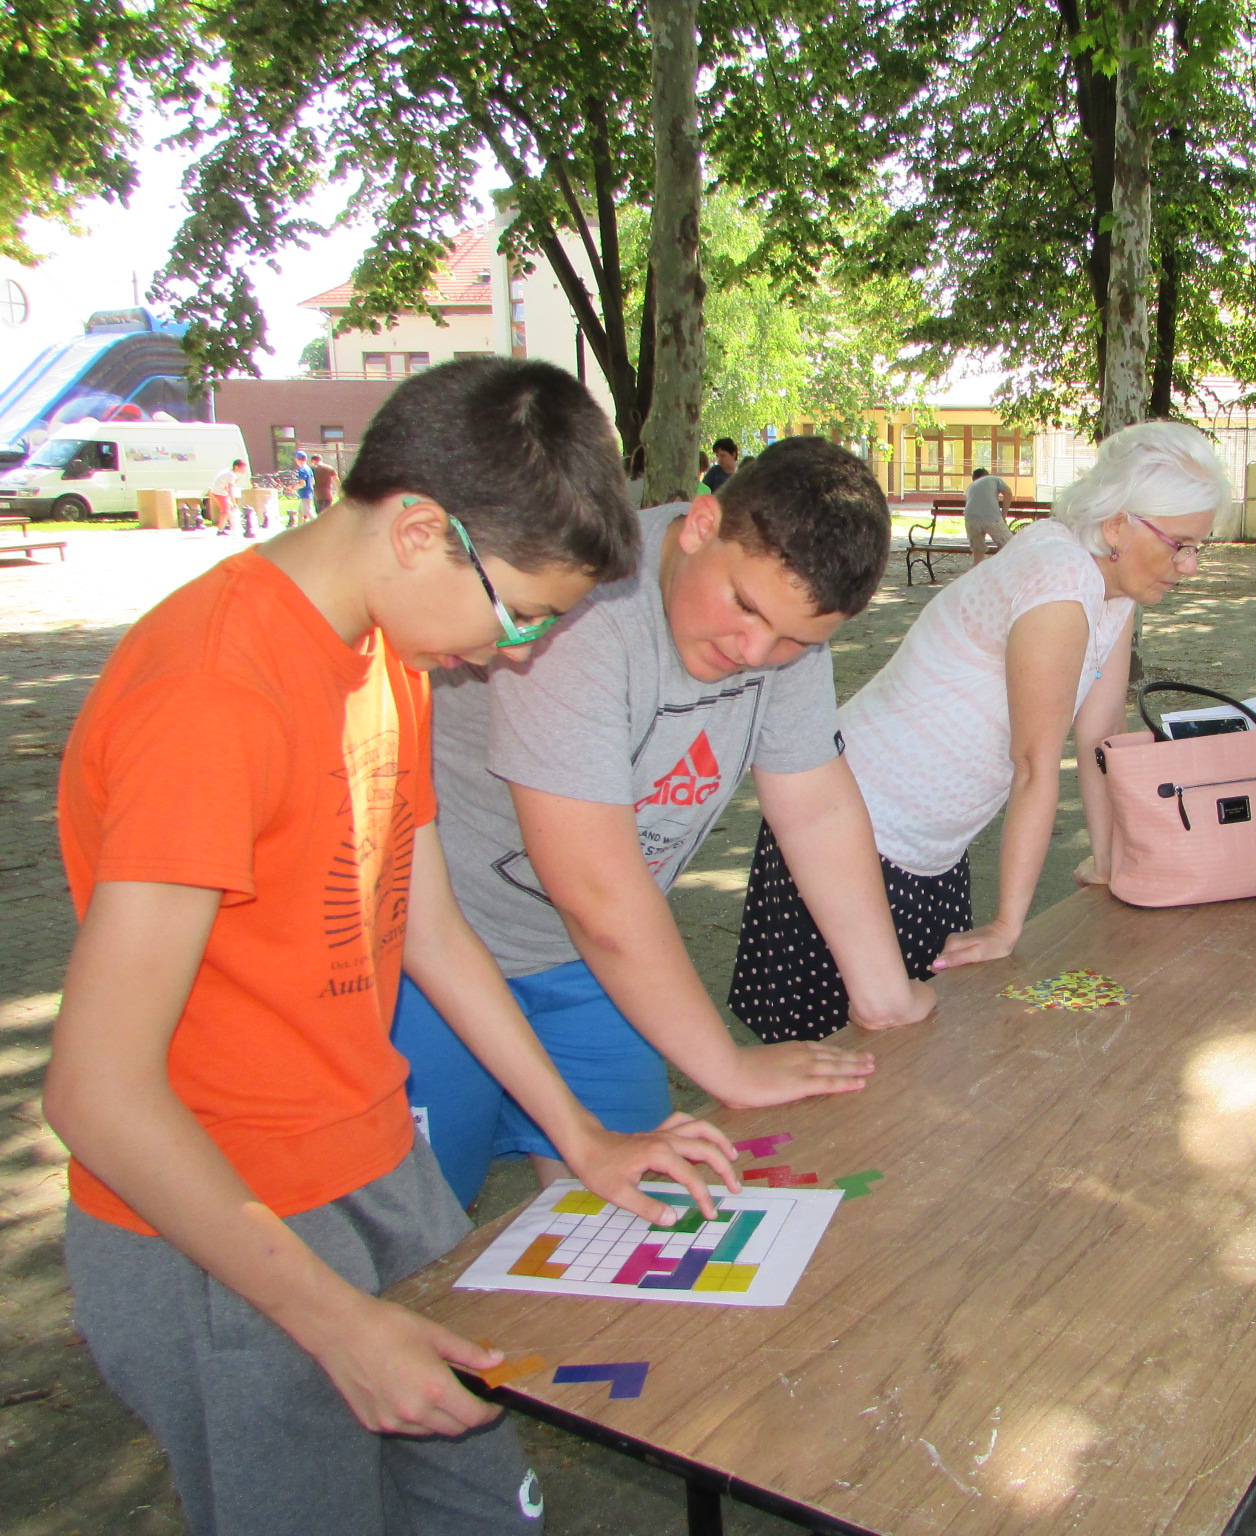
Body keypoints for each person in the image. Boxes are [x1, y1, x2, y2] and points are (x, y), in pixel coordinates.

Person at [46, 357, 742, 1536]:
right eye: (520, 613)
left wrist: (580, 1138)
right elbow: (95, 1093)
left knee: (482, 1504)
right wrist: (334, 1322)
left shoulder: (383, 655)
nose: (517, 652)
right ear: (423, 531)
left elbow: (427, 926)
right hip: (220, 1230)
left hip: (375, 1169)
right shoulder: (213, 695)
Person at [393, 436, 936, 1208]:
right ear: (701, 524)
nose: (755, 650)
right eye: (744, 607)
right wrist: (726, 1067)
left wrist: (884, 994)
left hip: (592, 965)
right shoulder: (590, 603)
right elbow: (593, 886)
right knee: (424, 1227)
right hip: (435, 955)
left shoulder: (785, 633)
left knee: (634, 1213)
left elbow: (815, 807)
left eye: (795, 640)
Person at [726, 419, 1230, 1042]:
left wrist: (1110, 861)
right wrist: (1007, 925)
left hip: (933, 850)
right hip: (852, 830)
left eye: (1199, 546)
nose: (1190, 566)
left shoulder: (1115, 587)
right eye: (1180, 544)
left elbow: (1101, 735)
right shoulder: (1059, 580)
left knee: (918, 1054)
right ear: (1117, 524)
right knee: (832, 1056)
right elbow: (1034, 764)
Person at [962, 465, 1013, 562]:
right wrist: (1004, 514)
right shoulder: (994, 479)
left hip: (971, 519)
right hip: (991, 518)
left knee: (978, 552)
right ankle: (1008, 569)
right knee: (1010, 545)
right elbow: (1008, 493)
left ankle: (977, 570)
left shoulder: (970, 487)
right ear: (986, 475)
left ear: (974, 478)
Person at [209, 458, 248, 536]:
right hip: (220, 494)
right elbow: (231, 490)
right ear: (236, 467)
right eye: (243, 468)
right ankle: (220, 530)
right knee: (226, 512)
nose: (244, 470)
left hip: (221, 492)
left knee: (230, 511)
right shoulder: (231, 475)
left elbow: (230, 484)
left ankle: (229, 527)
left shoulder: (230, 472)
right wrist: (234, 502)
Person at [291, 450, 316, 528]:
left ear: (297, 459)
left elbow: (302, 484)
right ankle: (299, 529)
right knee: (300, 513)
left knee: (307, 511)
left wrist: (293, 488)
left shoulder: (302, 470)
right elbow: (313, 481)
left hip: (304, 494)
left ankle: (320, 526)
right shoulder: (308, 469)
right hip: (309, 492)